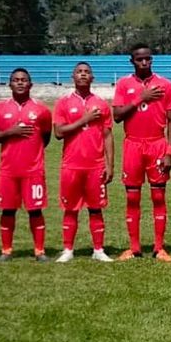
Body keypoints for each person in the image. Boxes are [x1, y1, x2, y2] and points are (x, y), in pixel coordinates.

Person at [112, 43, 171, 262]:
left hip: (157, 144)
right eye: (139, 59)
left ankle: (159, 248)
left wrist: (169, 151)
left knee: (158, 196)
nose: (144, 62)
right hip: (133, 145)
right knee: (132, 198)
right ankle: (134, 248)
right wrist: (141, 97)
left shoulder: (164, 85)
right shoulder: (124, 84)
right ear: (132, 61)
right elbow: (117, 116)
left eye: (148, 58)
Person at [0, 68, 52, 262]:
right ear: (10, 84)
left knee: (35, 210)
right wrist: (11, 132)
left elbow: (46, 137)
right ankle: (6, 250)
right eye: (16, 80)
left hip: (33, 170)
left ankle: (39, 251)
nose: (20, 83)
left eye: (24, 80)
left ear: (30, 84)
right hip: (8, 170)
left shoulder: (42, 110)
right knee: (8, 210)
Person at [53, 62, 115, 263]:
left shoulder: (101, 104)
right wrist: (84, 119)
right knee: (70, 208)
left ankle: (98, 249)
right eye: (79, 72)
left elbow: (107, 135)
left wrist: (110, 165)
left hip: (95, 165)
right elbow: (58, 133)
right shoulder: (63, 103)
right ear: (73, 77)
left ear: (92, 78)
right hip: (71, 165)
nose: (83, 74)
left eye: (87, 72)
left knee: (96, 208)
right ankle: (68, 250)